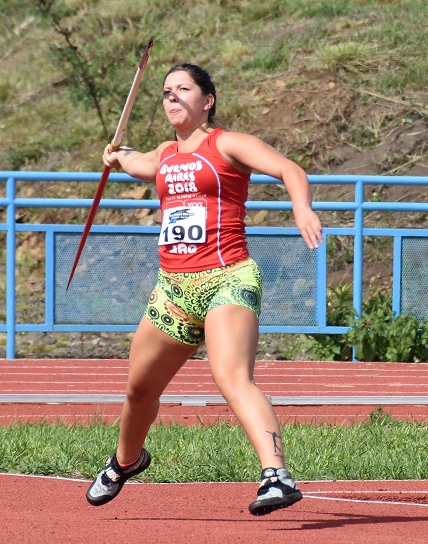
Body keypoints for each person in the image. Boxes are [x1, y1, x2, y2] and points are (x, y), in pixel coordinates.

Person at [85, 63, 323, 516]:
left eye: (182, 90)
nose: (171, 98)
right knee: (138, 391)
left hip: (227, 278)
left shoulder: (227, 144)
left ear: (206, 100)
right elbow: (137, 163)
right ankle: (125, 462)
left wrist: (302, 209)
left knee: (232, 377)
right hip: (172, 290)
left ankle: (276, 475)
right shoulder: (165, 154)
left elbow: (289, 169)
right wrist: (116, 156)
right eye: (165, 92)